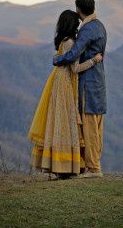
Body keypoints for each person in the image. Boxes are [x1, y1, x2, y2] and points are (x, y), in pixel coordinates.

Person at [28, 9, 103, 177]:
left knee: (59, 121)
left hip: (59, 81)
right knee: (65, 122)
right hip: (66, 83)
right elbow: (75, 68)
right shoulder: (70, 42)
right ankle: (64, 166)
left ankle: (59, 164)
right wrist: (94, 60)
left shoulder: (63, 40)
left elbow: (60, 60)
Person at [53, 0, 108, 177]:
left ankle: (93, 168)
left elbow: (73, 54)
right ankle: (93, 164)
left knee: (90, 126)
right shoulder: (100, 26)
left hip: (88, 84)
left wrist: (57, 59)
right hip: (99, 82)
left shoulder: (87, 30)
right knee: (97, 125)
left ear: (79, 10)